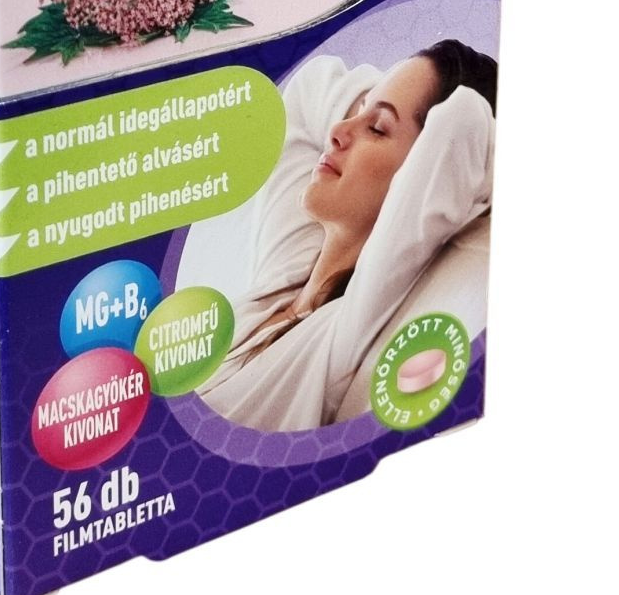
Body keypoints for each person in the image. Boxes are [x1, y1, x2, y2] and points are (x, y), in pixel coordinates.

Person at [196, 39, 496, 431]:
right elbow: (308, 88)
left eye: (377, 128)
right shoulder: (284, 277)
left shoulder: (345, 332)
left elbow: (464, 119)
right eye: (356, 111)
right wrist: (381, 103)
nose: (337, 131)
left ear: (423, 173)